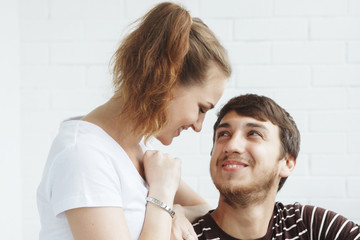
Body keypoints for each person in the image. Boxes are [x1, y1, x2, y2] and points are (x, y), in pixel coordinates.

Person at [37, 2, 231, 240]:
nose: (198, 126)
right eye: (201, 109)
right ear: (168, 81)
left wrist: (174, 212)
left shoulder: (139, 151)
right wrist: (162, 194)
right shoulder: (84, 156)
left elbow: (207, 212)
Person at [193, 94, 360, 240]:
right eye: (223, 134)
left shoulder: (311, 226)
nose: (232, 145)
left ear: (287, 163)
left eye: (254, 133)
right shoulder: (184, 234)